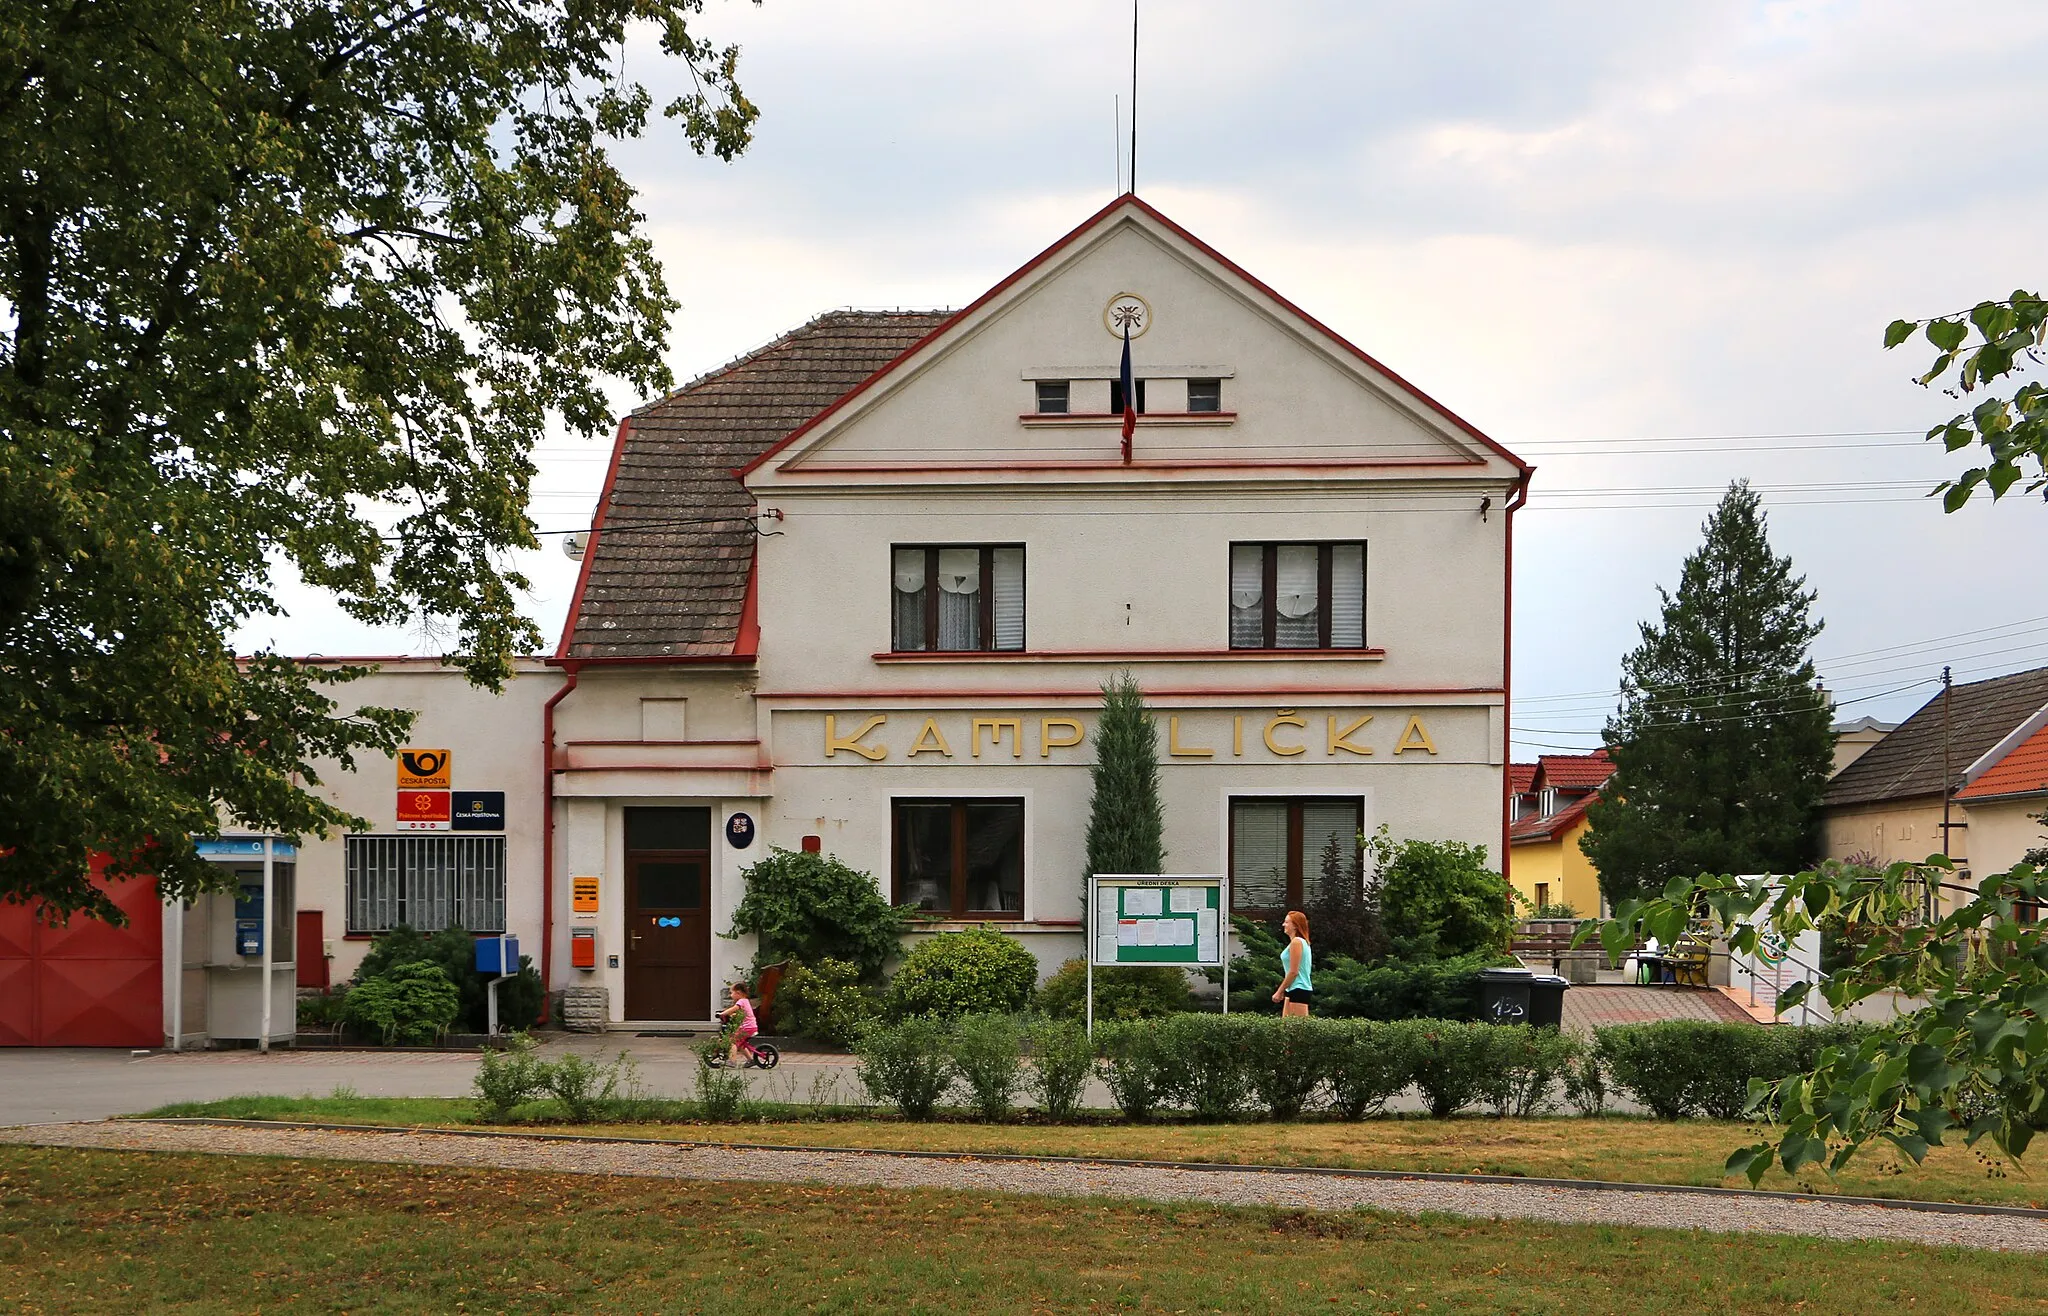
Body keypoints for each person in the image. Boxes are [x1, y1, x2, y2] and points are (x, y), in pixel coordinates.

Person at [1271, 910, 1313, 1017]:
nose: (1283, 924)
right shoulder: (1299, 942)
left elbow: (1294, 971)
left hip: (1299, 988)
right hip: (1293, 988)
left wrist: (1279, 991)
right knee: (1287, 1028)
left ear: (1295, 925)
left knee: (1298, 1030)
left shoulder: (1297, 942)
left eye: (1287, 922)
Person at [717, 981, 758, 1066]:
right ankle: (751, 1060)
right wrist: (732, 1015)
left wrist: (722, 1014)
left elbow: (733, 1009)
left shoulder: (741, 1001)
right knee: (741, 1044)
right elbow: (739, 1012)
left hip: (746, 1027)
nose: (730, 995)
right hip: (751, 1026)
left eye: (731, 993)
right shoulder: (746, 1001)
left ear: (738, 993)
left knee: (732, 1042)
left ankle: (732, 1061)